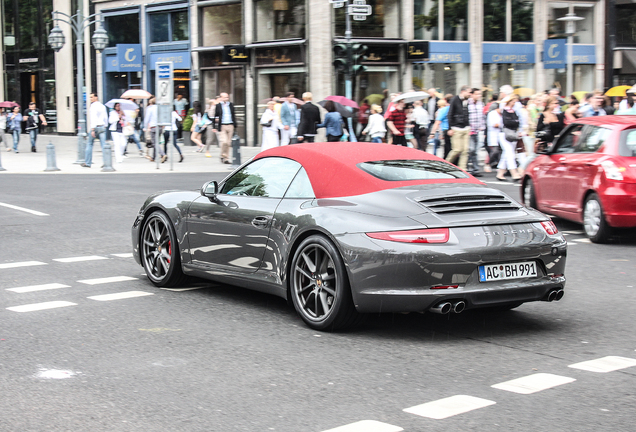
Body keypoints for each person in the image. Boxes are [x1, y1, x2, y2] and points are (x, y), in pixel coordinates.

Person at [496, 96, 522, 182]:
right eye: (513, 102)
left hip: (512, 133)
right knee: (510, 153)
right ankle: (514, 172)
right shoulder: (504, 110)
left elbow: (516, 122)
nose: (514, 103)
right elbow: (507, 122)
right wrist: (514, 122)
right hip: (505, 134)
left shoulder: (513, 111)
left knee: (506, 154)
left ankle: (500, 173)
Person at [446, 85, 471, 170]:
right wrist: (450, 128)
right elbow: (450, 114)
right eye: (469, 92)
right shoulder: (455, 99)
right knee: (457, 149)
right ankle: (445, 165)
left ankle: (463, 169)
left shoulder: (467, 101)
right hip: (456, 127)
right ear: (463, 91)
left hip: (466, 127)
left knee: (465, 150)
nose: (470, 94)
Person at [81, 93, 108, 168]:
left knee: (89, 144)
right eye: (90, 97)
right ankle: (106, 162)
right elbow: (105, 117)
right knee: (103, 146)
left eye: (92, 97)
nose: (91, 99)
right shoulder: (102, 106)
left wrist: (93, 129)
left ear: (96, 97)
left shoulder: (93, 106)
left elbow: (93, 118)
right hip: (102, 126)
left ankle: (87, 162)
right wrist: (105, 125)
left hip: (95, 127)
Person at [212, 92, 236, 164]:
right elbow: (215, 116)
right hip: (222, 125)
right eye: (225, 97)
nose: (226, 98)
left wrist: (234, 125)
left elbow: (233, 114)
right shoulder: (218, 106)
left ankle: (226, 158)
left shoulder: (231, 105)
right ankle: (222, 155)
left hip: (230, 125)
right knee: (224, 142)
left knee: (228, 143)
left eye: (227, 97)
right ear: (221, 98)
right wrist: (214, 126)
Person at [467, 88, 485, 175]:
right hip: (469, 130)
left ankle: (475, 169)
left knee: (475, 151)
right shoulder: (467, 103)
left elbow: (482, 117)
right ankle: (466, 167)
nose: (479, 96)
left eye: (480, 94)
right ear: (472, 94)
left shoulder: (480, 104)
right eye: (477, 94)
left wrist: (482, 127)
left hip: (477, 130)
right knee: (470, 149)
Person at [143, 97, 166, 163]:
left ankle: (162, 154)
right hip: (160, 127)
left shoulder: (150, 108)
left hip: (153, 127)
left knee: (154, 143)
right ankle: (153, 157)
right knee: (156, 142)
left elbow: (147, 118)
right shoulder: (160, 108)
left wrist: (145, 127)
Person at [485, 103, 503, 172]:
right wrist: (501, 125)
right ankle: (488, 163)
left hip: (500, 134)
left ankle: (500, 166)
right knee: (495, 151)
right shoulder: (492, 114)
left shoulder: (502, 114)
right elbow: (493, 124)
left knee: (500, 151)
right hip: (493, 134)